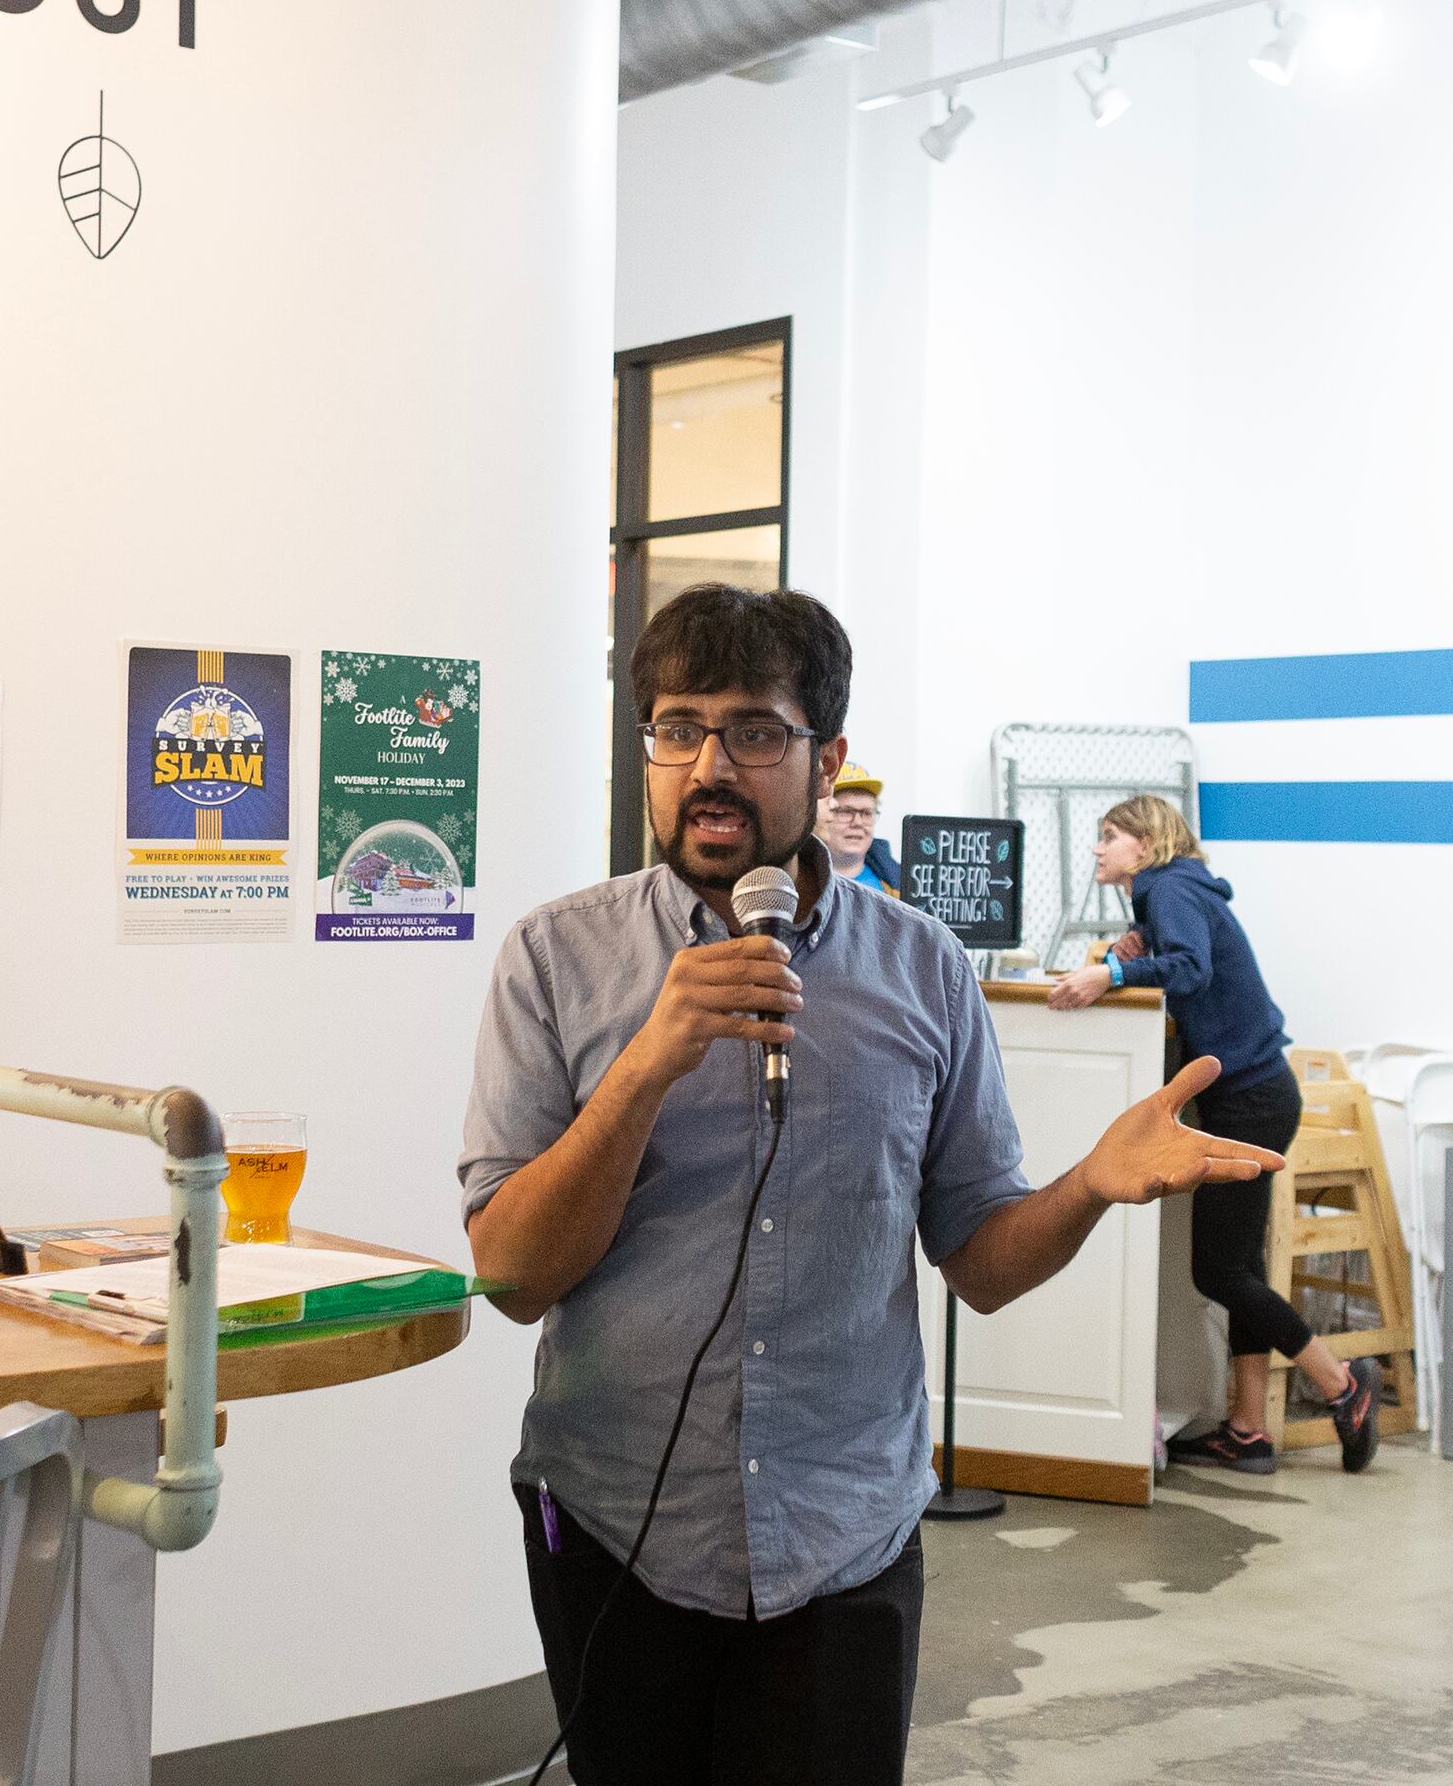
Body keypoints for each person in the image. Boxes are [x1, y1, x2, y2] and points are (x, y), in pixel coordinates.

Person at [457, 587, 1280, 1786]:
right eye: (677, 728)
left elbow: (982, 1260)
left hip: (845, 1537)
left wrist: (1090, 1185)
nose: (707, 766)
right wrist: (647, 1063)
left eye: (753, 730)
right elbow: (512, 1275)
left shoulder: (923, 968)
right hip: (615, 1525)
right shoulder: (554, 957)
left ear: (828, 757)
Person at [1046, 793, 1382, 1477]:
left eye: (1109, 835)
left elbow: (1192, 968)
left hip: (1251, 1099)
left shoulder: (1167, 887)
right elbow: (1186, 960)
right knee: (1240, 1268)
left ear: (1145, 844)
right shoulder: (1175, 890)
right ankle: (1249, 1430)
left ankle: (1341, 1384)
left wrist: (1110, 972)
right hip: (1257, 1093)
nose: (1098, 848)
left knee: (1219, 1270)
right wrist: (1133, 950)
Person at [814, 760, 900, 893]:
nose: (858, 823)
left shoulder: (900, 885)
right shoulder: (796, 880)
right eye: (846, 811)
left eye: (866, 813)